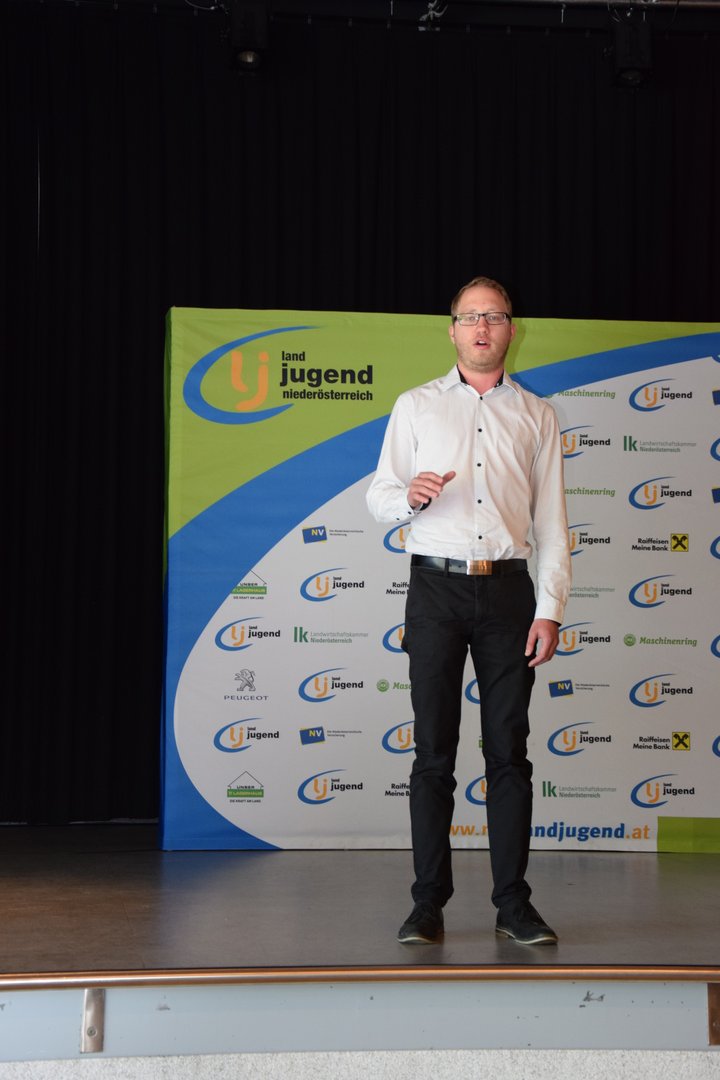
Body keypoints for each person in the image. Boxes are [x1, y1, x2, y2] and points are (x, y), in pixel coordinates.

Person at [366, 276, 571, 946]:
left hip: (509, 595)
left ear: (512, 329)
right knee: (433, 752)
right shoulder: (416, 406)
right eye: (469, 316)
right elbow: (380, 494)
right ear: (451, 329)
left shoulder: (538, 415)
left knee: (509, 752)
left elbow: (553, 524)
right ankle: (427, 905)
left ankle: (514, 906)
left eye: (495, 316)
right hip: (435, 591)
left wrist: (550, 609)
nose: (482, 327)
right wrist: (408, 497)